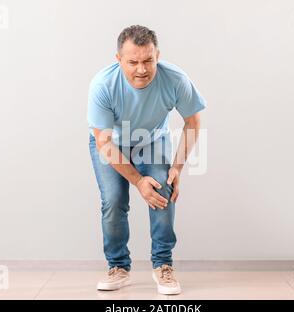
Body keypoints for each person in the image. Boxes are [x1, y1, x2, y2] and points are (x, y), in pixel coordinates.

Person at [87, 25, 206, 295]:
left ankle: (163, 265)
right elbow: (104, 142)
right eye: (133, 62)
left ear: (157, 56)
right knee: (114, 200)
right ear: (119, 60)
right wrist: (138, 180)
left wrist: (176, 167)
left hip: (152, 140)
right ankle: (118, 266)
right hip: (111, 143)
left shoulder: (175, 79)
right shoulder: (102, 85)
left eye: (147, 60)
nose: (141, 69)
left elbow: (192, 121)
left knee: (163, 189)